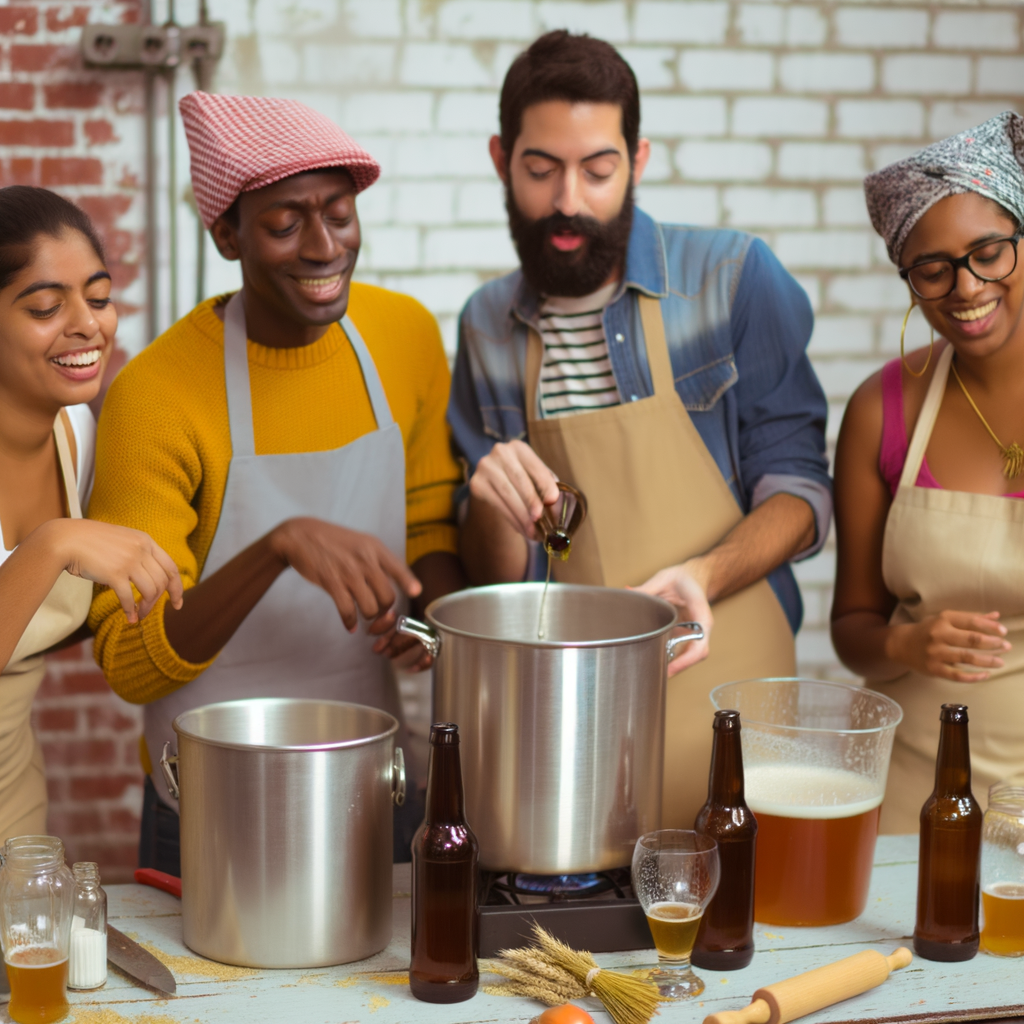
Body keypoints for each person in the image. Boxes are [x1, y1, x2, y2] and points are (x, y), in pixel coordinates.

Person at [446, 32, 832, 827]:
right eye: (541, 168)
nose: (568, 202)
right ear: (499, 159)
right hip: (572, 718)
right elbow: (507, 575)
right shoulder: (487, 324)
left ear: (639, 158)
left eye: (598, 168)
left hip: (733, 684)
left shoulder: (732, 280)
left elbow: (801, 492)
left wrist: (705, 574)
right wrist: (488, 502)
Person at [87, 93, 464, 870]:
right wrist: (278, 547)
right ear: (227, 233)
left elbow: (427, 524)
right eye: (285, 223)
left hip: (377, 787)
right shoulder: (156, 398)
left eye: (340, 213)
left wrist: (427, 617)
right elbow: (129, 658)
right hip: (214, 808)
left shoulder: (405, 339)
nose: (324, 246)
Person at [833, 111, 1024, 832]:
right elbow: (853, 627)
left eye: (989, 253)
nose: (965, 286)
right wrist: (900, 644)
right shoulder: (880, 412)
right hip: (913, 796)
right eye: (932, 269)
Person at [0, 186, 182, 842]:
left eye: (99, 297)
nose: (87, 325)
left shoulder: (76, 434)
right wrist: (52, 545)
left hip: (13, 808)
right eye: (47, 306)